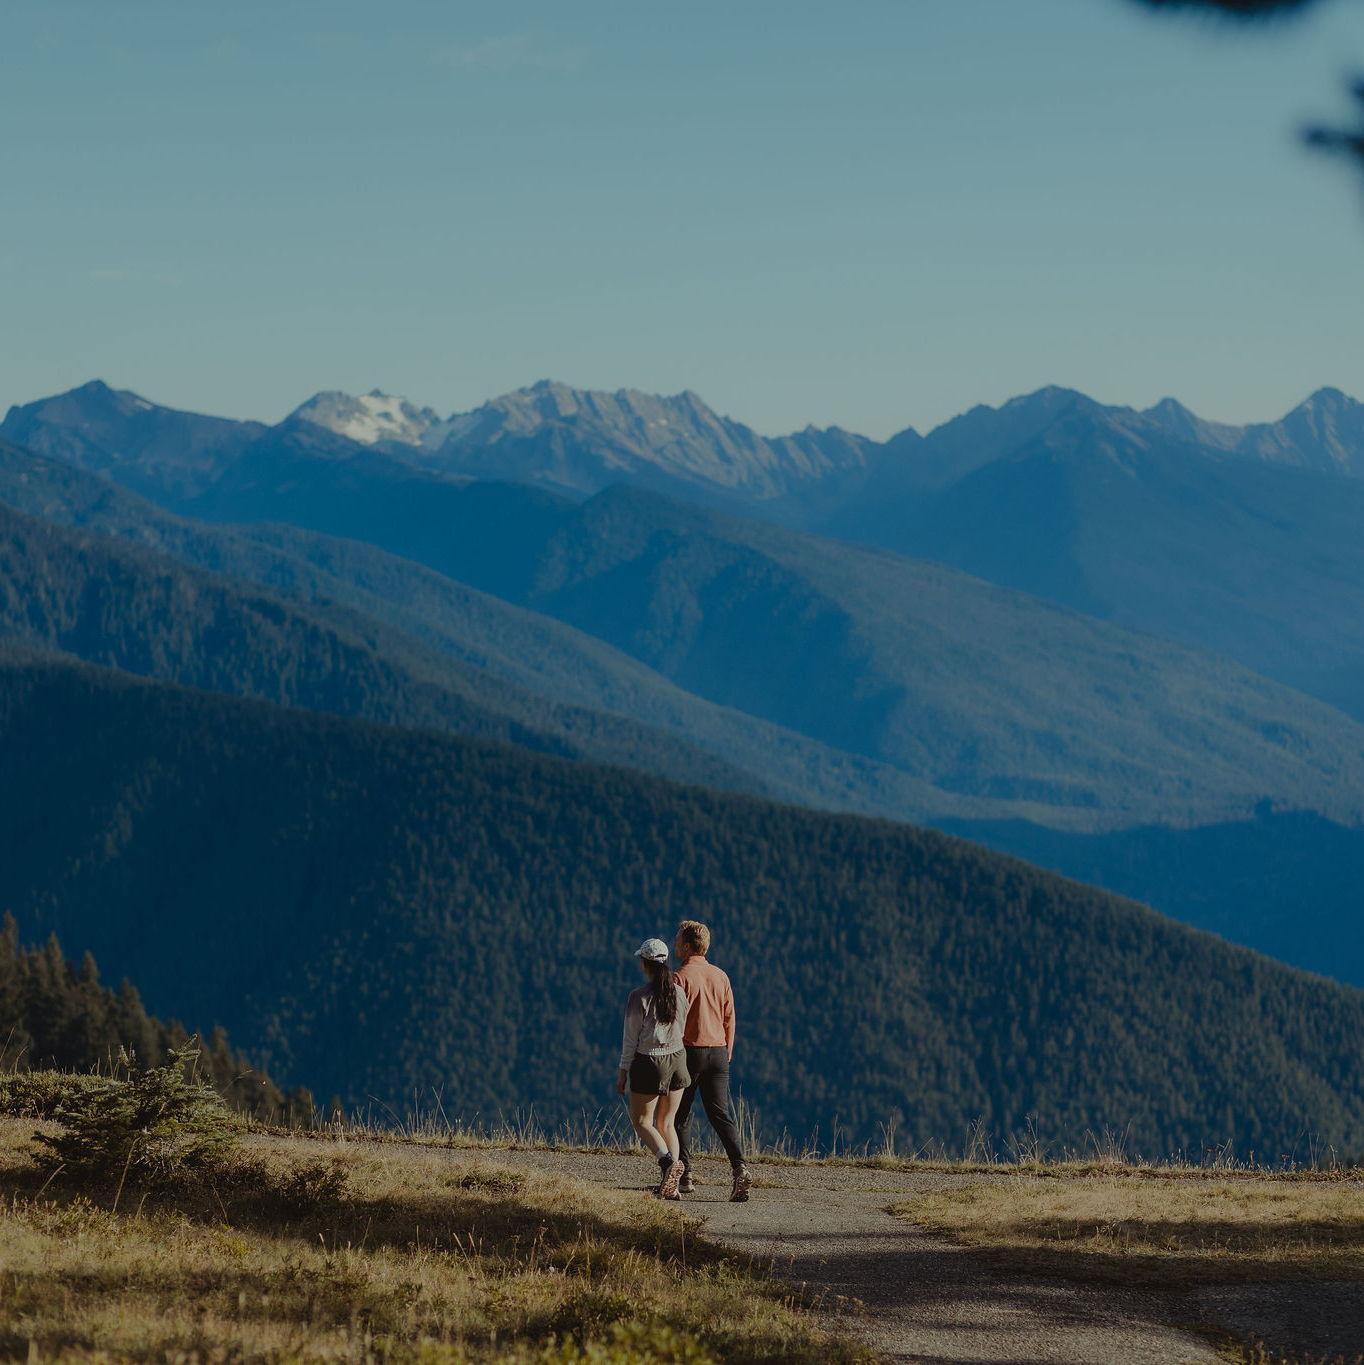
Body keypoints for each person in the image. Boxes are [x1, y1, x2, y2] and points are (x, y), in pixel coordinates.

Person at [673, 920, 751, 1202]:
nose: (674, 942)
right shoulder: (720, 976)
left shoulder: (679, 977)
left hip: (688, 1052)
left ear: (687, 945)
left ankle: (685, 1174)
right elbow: (730, 1016)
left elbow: (673, 1021)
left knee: (678, 1116)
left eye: (678, 938)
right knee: (720, 1115)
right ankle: (739, 1167)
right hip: (718, 1051)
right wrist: (727, 1050)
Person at [616, 937, 691, 1200]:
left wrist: (623, 1071)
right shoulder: (679, 993)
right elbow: (682, 1025)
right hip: (678, 1059)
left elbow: (630, 1038)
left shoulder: (639, 997)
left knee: (642, 1121)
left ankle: (667, 1164)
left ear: (645, 964)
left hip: (650, 1062)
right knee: (667, 1122)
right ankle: (671, 1183)